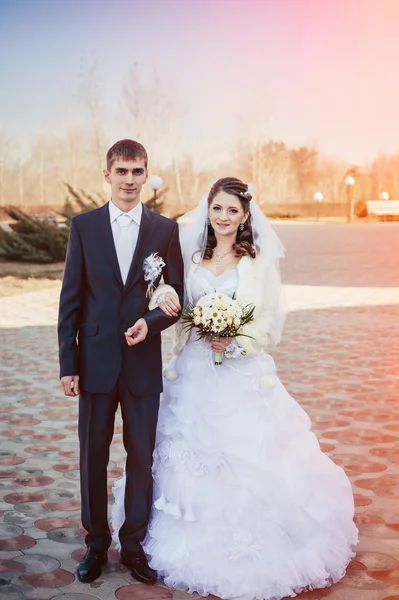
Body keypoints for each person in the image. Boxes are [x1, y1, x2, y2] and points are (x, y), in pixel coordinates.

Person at [111, 177, 358, 600]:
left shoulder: (256, 262)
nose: (223, 217)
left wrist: (236, 340)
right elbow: (172, 295)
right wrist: (167, 293)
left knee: (243, 456)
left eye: (232, 211)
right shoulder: (191, 255)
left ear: (245, 217)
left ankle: (250, 545)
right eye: (217, 209)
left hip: (240, 374)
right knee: (183, 453)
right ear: (208, 211)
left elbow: (269, 323)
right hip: (193, 371)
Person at [57, 139, 184, 584]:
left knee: (141, 458)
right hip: (93, 363)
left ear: (146, 175)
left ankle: (134, 546)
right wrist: (67, 364)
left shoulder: (165, 231)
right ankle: (95, 544)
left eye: (137, 171)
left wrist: (150, 323)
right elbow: (70, 300)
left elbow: (175, 299)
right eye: (122, 171)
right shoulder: (84, 226)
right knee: (92, 456)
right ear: (107, 174)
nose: (129, 180)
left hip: (142, 363)